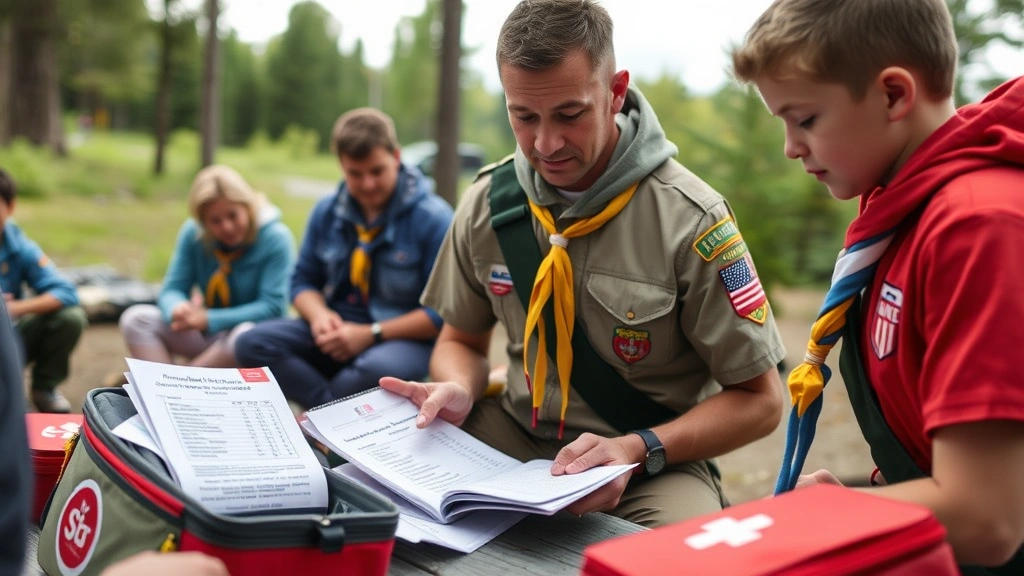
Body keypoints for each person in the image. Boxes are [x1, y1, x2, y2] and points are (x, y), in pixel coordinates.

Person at [381, 0, 786, 528]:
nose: (545, 144)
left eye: (569, 115)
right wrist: (459, 385)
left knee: (682, 559)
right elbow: (459, 341)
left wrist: (638, 448)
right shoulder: (489, 203)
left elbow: (760, 401)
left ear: (615, 91)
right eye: (523, 116)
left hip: (648, 460)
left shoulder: (692, 220)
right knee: (382, 506)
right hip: (512, 435)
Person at [732, 0, 1024, 570]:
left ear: (894, 95)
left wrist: (836, 519)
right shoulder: (898, 206)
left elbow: (989, 517)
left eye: (806, 119)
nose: (791, 147)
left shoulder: (976, 227)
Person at [235, 108, 454, 409]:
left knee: (375, 370)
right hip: (337, 329)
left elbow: (441, 314)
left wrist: (369, 334)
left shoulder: (434, 219)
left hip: (400, 340)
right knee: (250, 343)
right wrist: (319, 317)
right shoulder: (326, 211)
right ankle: (330, 413)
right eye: (355, 174)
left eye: (377, 171)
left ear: (397, 157)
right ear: (341, 164)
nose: (367, 184)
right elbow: (301, 281)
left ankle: (317, 419)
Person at [119, 165, 294, 369]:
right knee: (136, 320)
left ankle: (177, 385)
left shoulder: (276, 238)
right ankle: (169, 386)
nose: (226, 227)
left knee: (244, 335)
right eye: (215, 221)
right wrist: (177, 308)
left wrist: (209, 319)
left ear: (248, 207)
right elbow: (173, 288)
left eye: (232, 215)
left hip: (250, 343)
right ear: (203, 222)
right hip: (209, 335)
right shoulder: (194, 234)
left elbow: (273, 307)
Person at [0, 168, 87, 414]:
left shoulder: (20, 247)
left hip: (10, 337)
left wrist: (13, 308)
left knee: (70, 318)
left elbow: (66, 292)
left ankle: (43, 389)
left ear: (10, 207)